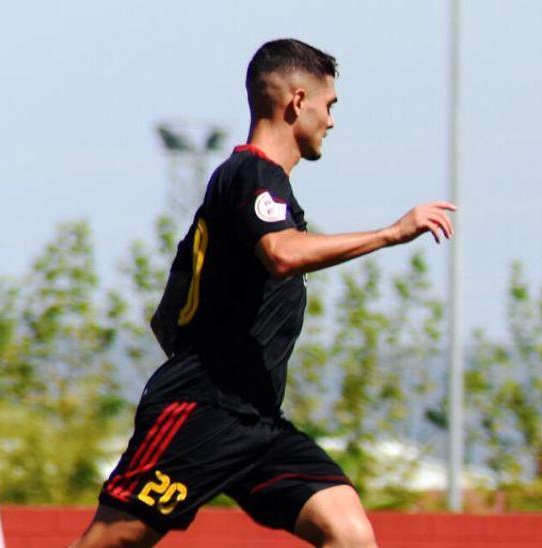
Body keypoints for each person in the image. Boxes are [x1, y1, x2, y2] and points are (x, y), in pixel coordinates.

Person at [72, 38, 455, 548]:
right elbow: (282, 253)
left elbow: (171, 313)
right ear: (297, 102)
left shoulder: (260, 187)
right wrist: (390, 233)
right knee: (112, 541)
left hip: (256, 422)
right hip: (202, 412)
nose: (332, 121)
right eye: (329, 105)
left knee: (349, 531)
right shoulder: (251, 174)